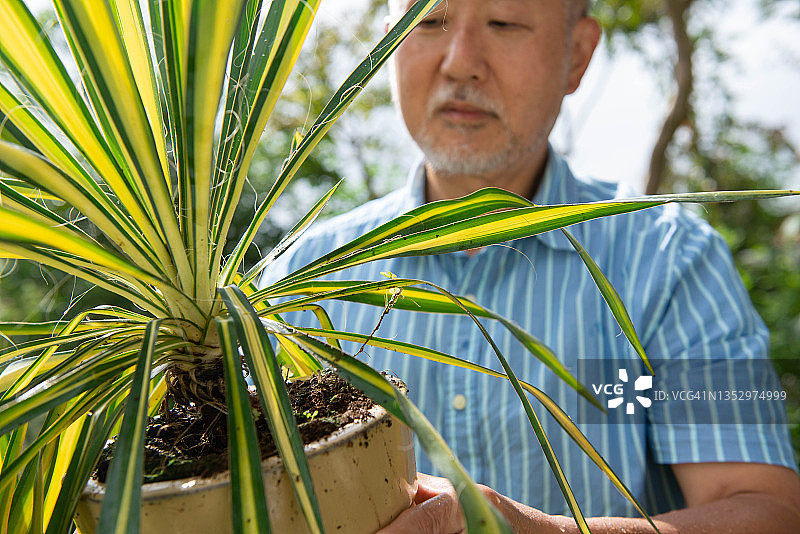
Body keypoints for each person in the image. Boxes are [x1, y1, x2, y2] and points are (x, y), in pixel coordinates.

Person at [263, 0, 800, 531]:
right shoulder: (298, 281)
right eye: (426, 22)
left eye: (504, 23)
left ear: (578, 55)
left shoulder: (670, 259)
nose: (460, 62)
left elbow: (768, 510)